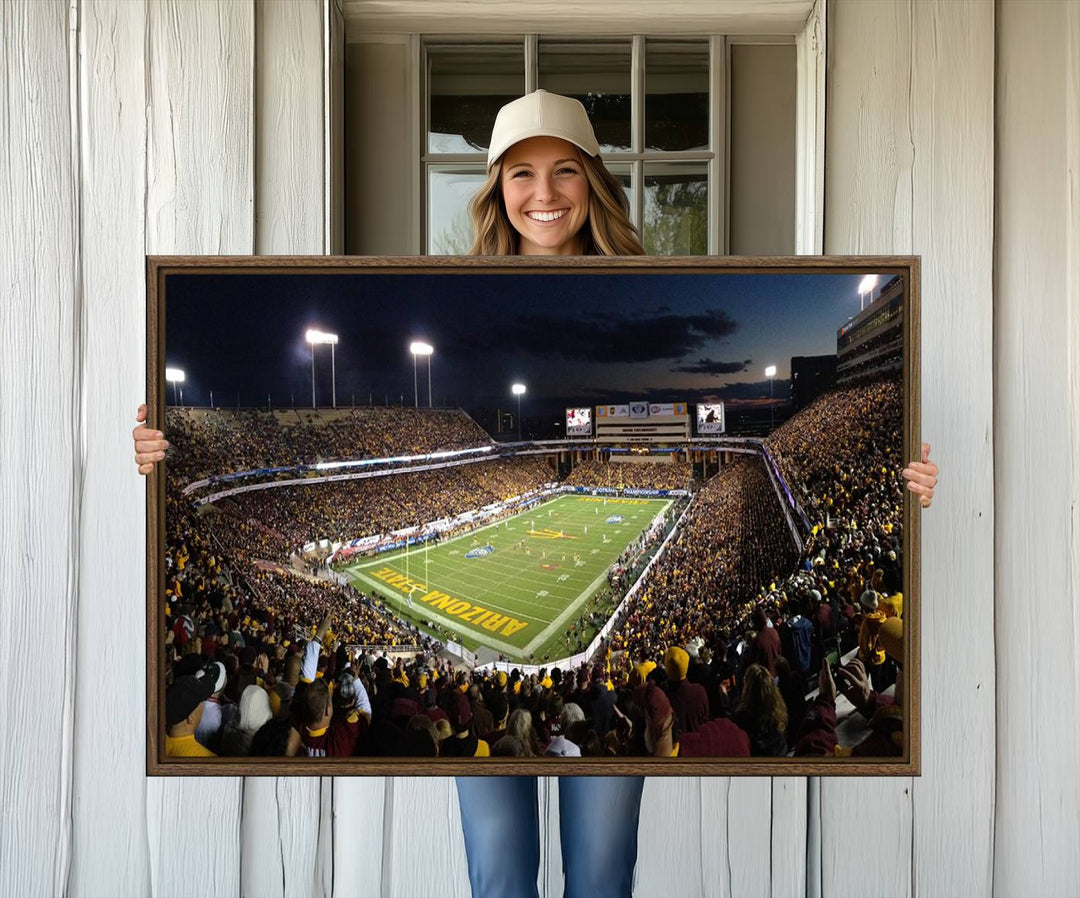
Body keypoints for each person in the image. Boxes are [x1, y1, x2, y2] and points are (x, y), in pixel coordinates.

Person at [132, 88, 940, 898]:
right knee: (500, 875)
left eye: (563, 171)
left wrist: (904, 483)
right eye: (521, 173)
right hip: (502, 732)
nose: (543, 194)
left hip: (580, 736)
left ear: (593, 180)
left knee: (598, 874)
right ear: (495, 188)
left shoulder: (654, 274)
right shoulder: (452, 281)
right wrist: (159, 447)